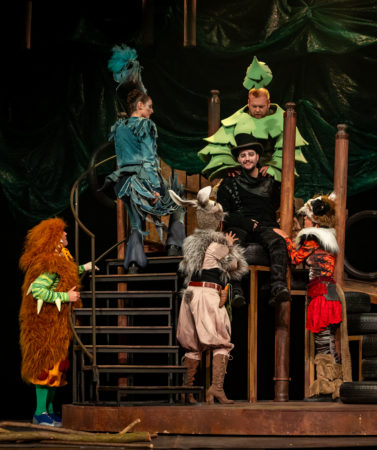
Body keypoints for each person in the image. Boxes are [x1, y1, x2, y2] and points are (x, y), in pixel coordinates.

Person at [102, 45, 186, 272]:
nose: (152, 111)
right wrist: (153, 189)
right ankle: (174, 245)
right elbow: (148, 159)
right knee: (178, 203)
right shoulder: (147, 126)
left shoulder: (119, 127)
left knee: (137, 223)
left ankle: (132, 264)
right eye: (149, 107)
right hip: (145, 179)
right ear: (140, 106)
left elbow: (123, 159)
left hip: (124, 184)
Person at [170, 186, 248, 404]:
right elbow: (234, 266)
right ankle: (216, 388)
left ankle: (186, 390)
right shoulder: (216, 245)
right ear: (217, 222)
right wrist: (230, 246)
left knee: (192, 345)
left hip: (190, 294)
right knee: (221, 341)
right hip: (206, 294)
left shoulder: (191, 244)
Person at [19, 218, 97, 427]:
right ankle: (40, 413)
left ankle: (50, 411)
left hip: (58, 326)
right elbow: (38, 290)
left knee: (57, 369)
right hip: (46, 326)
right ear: (53, 238)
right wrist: (65, 297)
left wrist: (84, 268)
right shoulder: (48, 263)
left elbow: (65, 274)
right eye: (62, 232)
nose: (65, 234)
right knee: (45, 367)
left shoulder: (60, 259)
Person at [273, 193, 352, 399]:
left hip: (321, 292)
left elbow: (295, 258)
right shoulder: (325, 238)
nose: (304, 221)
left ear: (314, 220)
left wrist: (285, 238)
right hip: (329, 290)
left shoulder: (313, 238)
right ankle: (335, 386)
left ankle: (326, 387)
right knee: (330, 340)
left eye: (306, 218)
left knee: (323, 340)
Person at [198, 57, 308, 181]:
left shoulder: (283, 119)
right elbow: (220, 146)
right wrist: (228, 165)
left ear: (268, 103)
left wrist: (273, 167)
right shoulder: (237, 119)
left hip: (269, 171)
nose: (257, 110)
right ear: (248, 103)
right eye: (254, 106)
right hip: (243, 170)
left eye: (261, 106)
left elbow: (288, 150)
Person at [215, 134, 290, 307]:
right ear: (238, 159)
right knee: (231, 243)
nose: (247, 158)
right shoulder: (228, 183)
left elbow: (285, 202)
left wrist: (283, 218)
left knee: (278, 242)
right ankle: (235, 290)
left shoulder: (271, 181)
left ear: (257, 157)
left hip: (265, 226)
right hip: (239, 225)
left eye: (250, 154)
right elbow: (221, 214)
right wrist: (246, 223)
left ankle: (278, 287)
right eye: (243, 155)